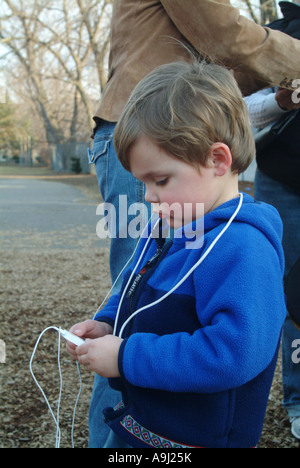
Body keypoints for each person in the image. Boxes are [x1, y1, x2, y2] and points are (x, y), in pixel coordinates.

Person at [87, 0, 300, 448]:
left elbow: (233, 353)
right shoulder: (173, 221)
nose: (147, 196)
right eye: (143, 182)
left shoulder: (242, 248)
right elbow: (136, 285)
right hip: (143, 426)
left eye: (160, 179)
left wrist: (126, 356)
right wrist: (109, 322)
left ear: (217, 159)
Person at [244, 1, 300, 442]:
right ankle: (296, 399)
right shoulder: (276, 34)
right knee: (287, 295)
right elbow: (240, 110)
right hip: (283, 178)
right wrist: (283, 100)